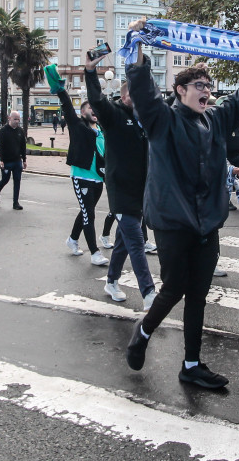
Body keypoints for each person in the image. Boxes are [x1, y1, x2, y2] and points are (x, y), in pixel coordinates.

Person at [124, 20, 239, 390]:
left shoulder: (215, 119)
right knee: (174, 287)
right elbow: (143, 90)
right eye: (199, 86)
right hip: (173, 222)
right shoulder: (162, 119)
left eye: (209, 87)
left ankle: (191, 365)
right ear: (180, 90)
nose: (206, 91)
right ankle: (143, 331)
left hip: (206, 224)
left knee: (199, 295)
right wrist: (137, 43)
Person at [83, 55, 157, 309]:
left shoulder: (145, 119)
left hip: (141, 191)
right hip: (121, 190)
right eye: (134, 94)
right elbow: (96, 100)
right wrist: (91, 71)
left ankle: (111, 281)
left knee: (125, 241)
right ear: (125, 96)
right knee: (135, 240)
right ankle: (148, 293)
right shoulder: (113, 114)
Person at [49, 66, 110, 266]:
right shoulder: (78, 126)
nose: (94, 110)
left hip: (98, 178)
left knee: (86, 210)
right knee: (89, 214)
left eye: (95, 108)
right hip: (81, 176)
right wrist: (60, 89)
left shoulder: (101, 130)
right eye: (90, 107)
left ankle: (72, 240)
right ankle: (94, 252)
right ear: (83, 112)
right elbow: (66, 105)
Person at [0, 111, 26, 210]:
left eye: (18, 119)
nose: (16, 121)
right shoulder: (3, 131)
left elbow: (23, 146)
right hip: (7, 161)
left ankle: (15, 202)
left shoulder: (20, 131)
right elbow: (0, 146)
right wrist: (1, 160)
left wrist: (24, 159)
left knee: (17, 180)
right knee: (5, 179)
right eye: (15, 119)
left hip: (17, 160)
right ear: (9, 118)